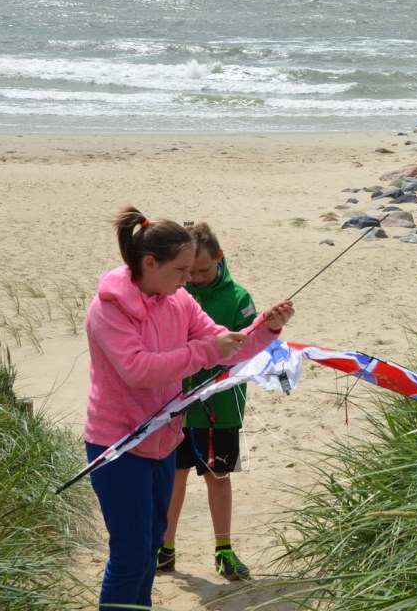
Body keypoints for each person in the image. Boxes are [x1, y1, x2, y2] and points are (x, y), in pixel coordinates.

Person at [82, 207, 293, 610]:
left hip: (163, 439)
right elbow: (137, 369)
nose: (186, 279)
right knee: (130, 554)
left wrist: (266, 327)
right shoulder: (109, 308)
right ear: (149, 263)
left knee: (149, 549)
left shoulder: (177, 299)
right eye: (180, 269)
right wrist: (205, 351)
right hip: (118, 443)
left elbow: (227, 346)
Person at [158, 222, 258, 581]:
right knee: (173, 475)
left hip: (221, 406)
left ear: (219, 257)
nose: (196, 278)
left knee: (217, 475)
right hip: (174, 402)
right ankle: (164, 547)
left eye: (203, 270)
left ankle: (224, 550)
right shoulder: (175, 291)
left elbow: (249, 349)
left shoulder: (239, 298)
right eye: (190, 270)